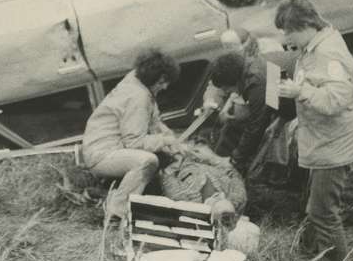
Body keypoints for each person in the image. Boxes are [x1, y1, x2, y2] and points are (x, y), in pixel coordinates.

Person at [276, 0, 353, 261]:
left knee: (323, 212)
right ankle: (313, 251)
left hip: (333, 146)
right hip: (323, 141)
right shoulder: (315, 47)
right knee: (316, 203)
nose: (286, 38)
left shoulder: (327, 53)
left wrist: (299, 93)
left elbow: (337, 99)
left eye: (288, 32)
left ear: (303, 25)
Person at [81, 49, 185, 218]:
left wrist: (171, 138)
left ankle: (109, 191)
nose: (165, 86)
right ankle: (117, 211)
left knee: (160, 155)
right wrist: (165, 141)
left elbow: (154, 121)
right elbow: (134, 142)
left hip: (108, 147)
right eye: (163, 82)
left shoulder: (137, 80)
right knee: (147, 161)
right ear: (154, 78)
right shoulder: (138, 97)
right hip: (102, 155)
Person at [205, 48, 276, 178]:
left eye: (226, 88)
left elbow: (256, 125)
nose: (226, 92)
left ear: (234, 80)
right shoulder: (248, 68)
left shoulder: (256, 81)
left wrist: (236, 158)